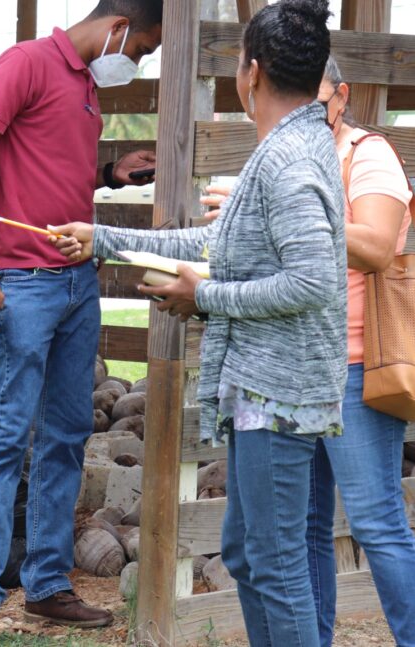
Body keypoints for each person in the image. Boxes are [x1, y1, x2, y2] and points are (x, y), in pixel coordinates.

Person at [53, 1, 345, 644]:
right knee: (247, 555)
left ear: (252, 71)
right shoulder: (290, 143)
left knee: (273, 563)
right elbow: (223, 247)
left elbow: (312, 280)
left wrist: (205, 295)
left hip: (279, 393)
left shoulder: (289, 159)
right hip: (265, 390)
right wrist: (100, 237)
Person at [0, 1, 163, 642]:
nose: (140, 60)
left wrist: (108, 176)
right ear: (119, 26)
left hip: (77, 284)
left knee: (67, 436)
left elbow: (49, 171)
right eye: (144, 48)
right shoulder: (24, 64)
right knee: (6, 436)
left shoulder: (88, 85)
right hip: (22, 285)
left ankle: (45, 585)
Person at [305, 56, 415, 647]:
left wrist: (290, 214)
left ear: (342, 97)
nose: (304, 118)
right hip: (301, 368)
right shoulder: (295, 157)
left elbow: (374, 247)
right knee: (307, 529)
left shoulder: (367, 154)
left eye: (316, 106)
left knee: (377, 525)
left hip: (355, 363)